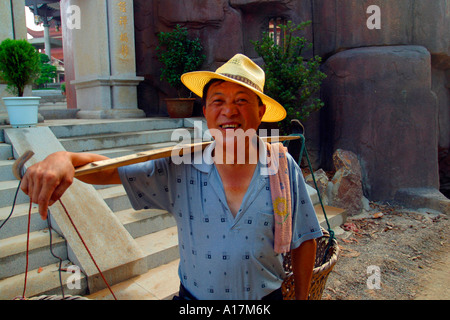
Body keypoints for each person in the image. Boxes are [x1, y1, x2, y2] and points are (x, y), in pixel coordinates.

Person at [21, 54, 323, 300]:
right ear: (205, 111)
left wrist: (301, 298)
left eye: (242, 101)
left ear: (260, 113)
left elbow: (305, 238)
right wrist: (65, 159)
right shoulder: (181, 166)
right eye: (218, 101)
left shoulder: (282, 169)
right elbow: (116, 169)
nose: (229, 111)